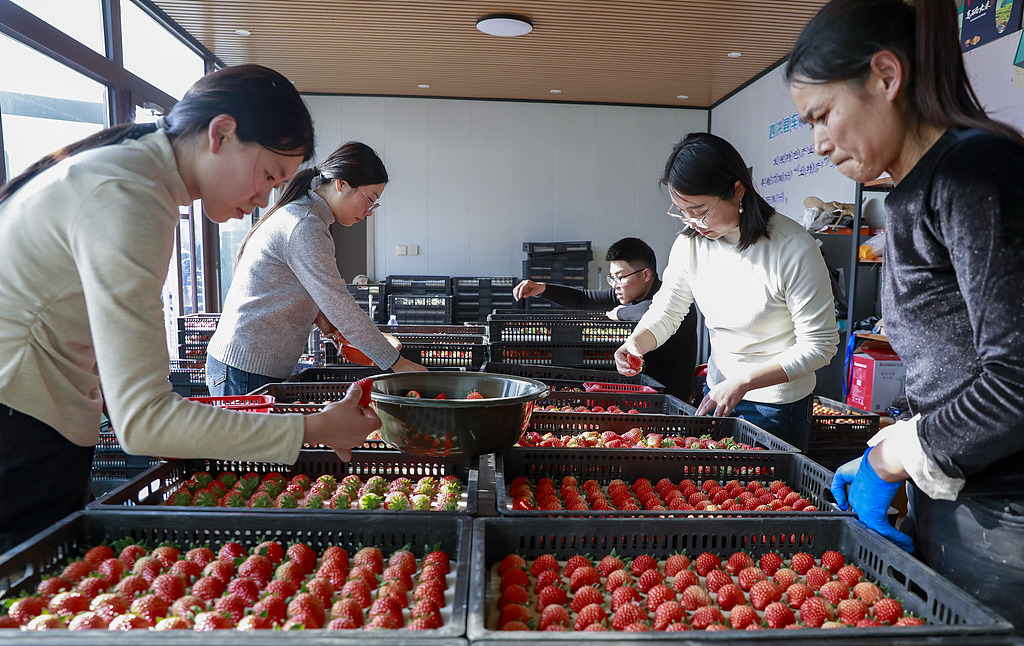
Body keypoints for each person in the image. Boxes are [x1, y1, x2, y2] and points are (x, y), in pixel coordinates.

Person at [0, 65, 380, 552]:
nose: (264, 198)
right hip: (19, 435)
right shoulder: (129, 196)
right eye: (267, 175)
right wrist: (316, 428)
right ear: (220, 133)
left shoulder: (128, 175)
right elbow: (144, 422)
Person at [788, 0, 1024, 628]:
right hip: (961, 502)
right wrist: (890, 447)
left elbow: (1018, 380)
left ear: (886, 77)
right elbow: (954, 368)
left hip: (1005, 523)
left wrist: (899, 454)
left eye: (822, 115)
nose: (816, 143)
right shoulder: (910, 195)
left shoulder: (974, 176)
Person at [614, 133, 839, 451]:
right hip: (717, 392)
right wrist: (636, 343)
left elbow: (820, 345)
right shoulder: (691, 244)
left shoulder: (792, 248)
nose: (692, 222)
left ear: (737, 191)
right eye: (681, 211)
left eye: (699, 210)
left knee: (764, 497)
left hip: (776, 406)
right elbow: (668, 309)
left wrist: (744, 381)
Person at [205, 141, 426, 397]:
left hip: (248, 364)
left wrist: (327, 326)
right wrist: (396, 363)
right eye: (370, 200)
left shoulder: (309, 218)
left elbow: (298, 289)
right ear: (341, 184)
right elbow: (339, 304)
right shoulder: (304, 225)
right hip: (244, 369)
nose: (368, 212)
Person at [512, 237, 698, 401]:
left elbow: (651, 312)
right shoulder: (628, 295)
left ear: (646, 275)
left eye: (620, 277)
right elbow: (584, 298)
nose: (615, 285)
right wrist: (542, 289)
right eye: (612, 278)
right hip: (643, 391)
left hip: (671, 396)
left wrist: (619, 313)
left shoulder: (672, 300)